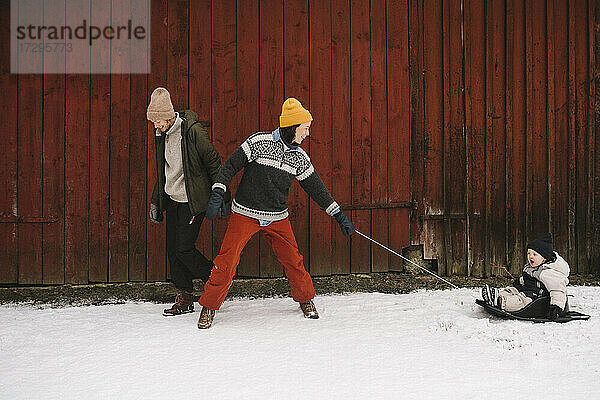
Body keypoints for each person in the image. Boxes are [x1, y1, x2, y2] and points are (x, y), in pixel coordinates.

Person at [196, 97, 355, 329]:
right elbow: (230, 166)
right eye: (305, 128)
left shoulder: (299, 158)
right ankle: (209, 306)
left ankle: (306, 299)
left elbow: (317, 189)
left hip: (277, 217)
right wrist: (218, 193)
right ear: (293, 126)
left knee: (293, 260)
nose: (307, 134)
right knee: (226, 261)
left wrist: (339, 215)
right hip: (245, 213)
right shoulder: (259, 142)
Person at [147, 87, 225, 316]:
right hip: (173, 200)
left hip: (193, 201)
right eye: (153, 122)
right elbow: (164, 172)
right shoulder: (162, 134)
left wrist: (219, 193)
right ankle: (185, 297)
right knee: (173, 250)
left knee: (183, 248)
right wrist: (156, 201)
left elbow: (213, 161)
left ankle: (217, 278)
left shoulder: (192, 131)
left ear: (169, 115)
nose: (155, 126)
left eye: (158, 120)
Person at [482, 233, 570, 320]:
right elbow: (530, 278)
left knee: (522, 301)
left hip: (539, 299)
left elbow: (558, 290)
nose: (530, 256)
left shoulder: (548, 272)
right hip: (528, 289)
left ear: (544, 258)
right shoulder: (532, 267)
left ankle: (501, 302)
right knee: (512, 290)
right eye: (529, 253)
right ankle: (496, 296)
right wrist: (520, 281)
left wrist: (556, 307)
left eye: (534, 254)